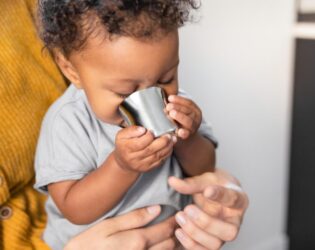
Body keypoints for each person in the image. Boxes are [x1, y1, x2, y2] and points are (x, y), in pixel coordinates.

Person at [0, 0, 248, 249]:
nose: (152, 99)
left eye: (166, 78)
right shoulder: (67, 122)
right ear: (70, 70)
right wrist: (121, 166)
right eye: (124, 92)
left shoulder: (178, 103)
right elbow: (73, 208)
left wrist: (188, 137)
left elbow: (204, 169)